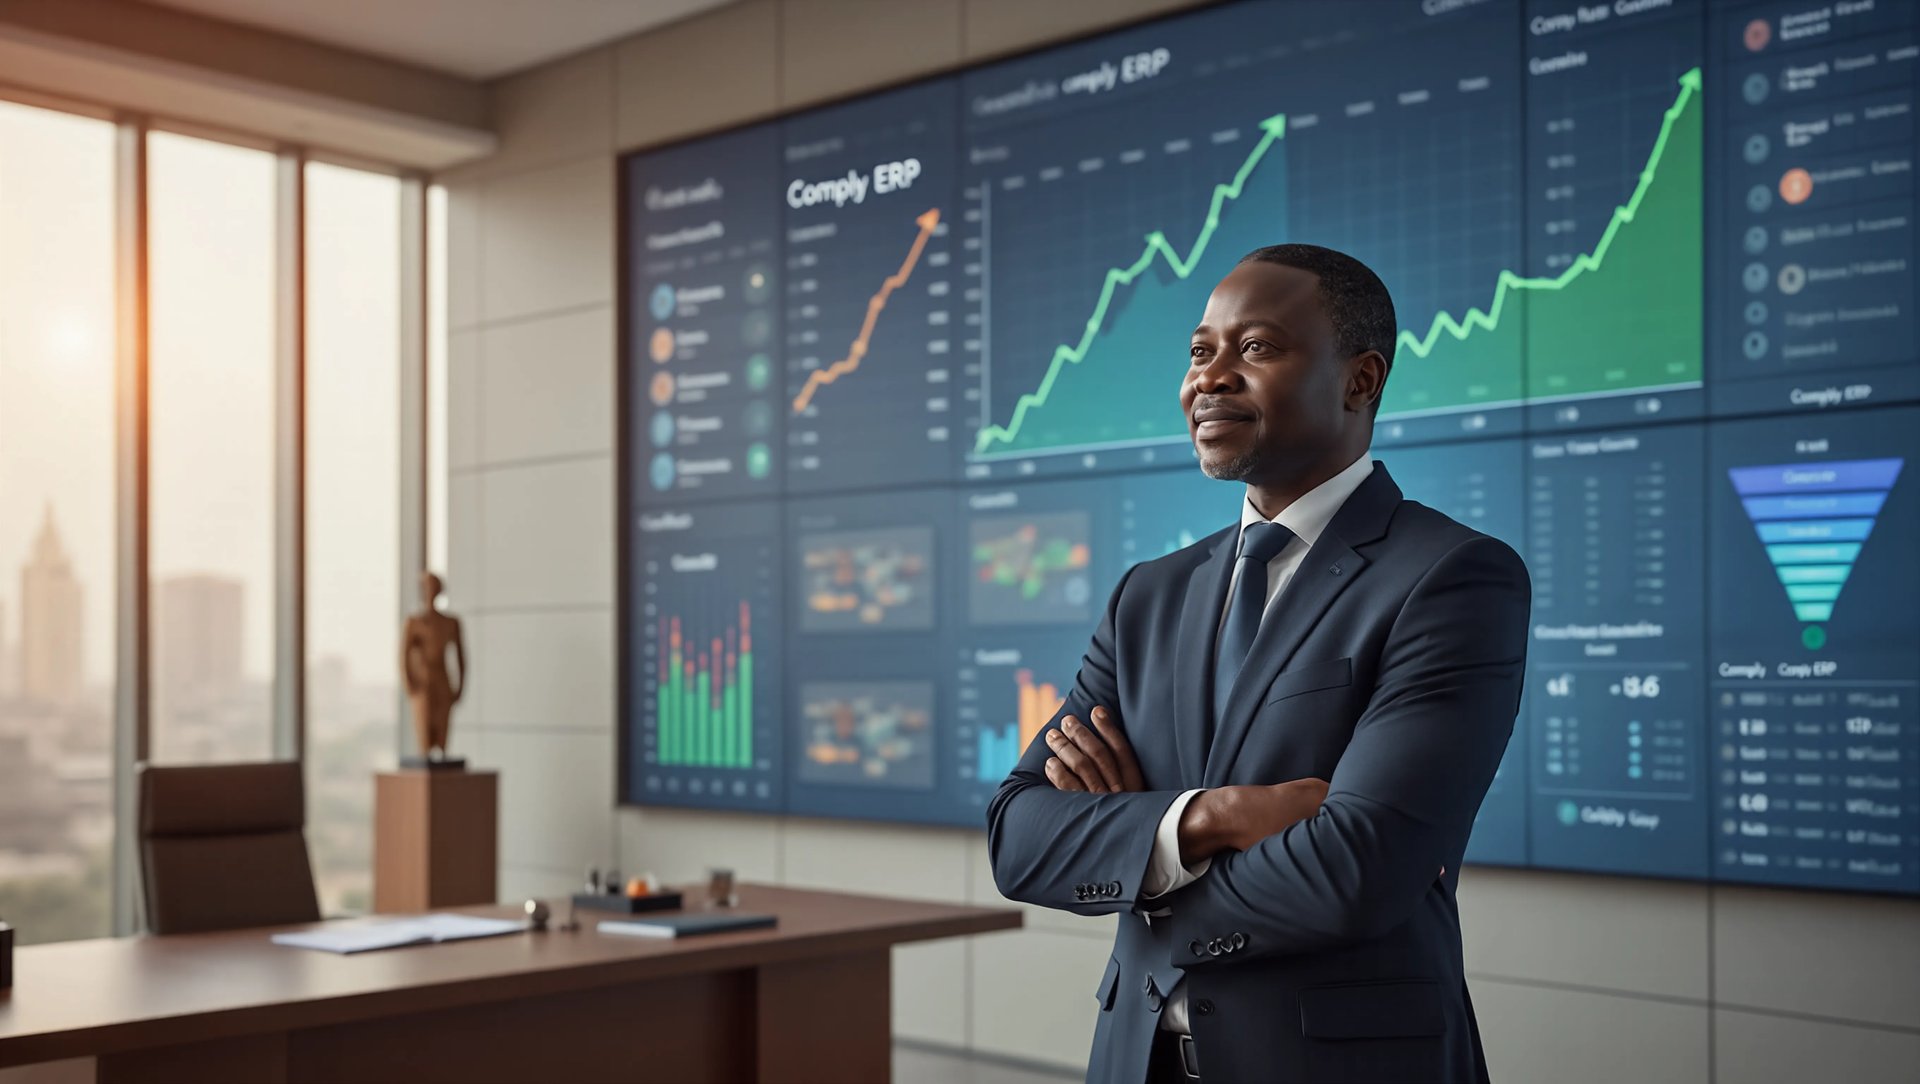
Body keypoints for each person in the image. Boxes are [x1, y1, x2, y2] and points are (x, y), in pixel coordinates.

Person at [987, 244, 1529, 1084]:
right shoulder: (1149, 596)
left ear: (1360, 380)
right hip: (1138, 1063)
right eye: (1201, 351)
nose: (1211, 377)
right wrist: (1215, 818)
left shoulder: (1450, 577)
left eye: (1258, 348)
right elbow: (1019, 838)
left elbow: (1356, 870)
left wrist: (1134, 849)